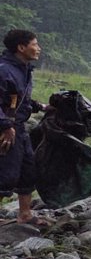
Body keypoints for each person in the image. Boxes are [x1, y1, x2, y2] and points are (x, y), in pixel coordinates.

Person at [0, 29, 47, 227]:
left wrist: (41, 107)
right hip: (5, 129)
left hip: (18, 127)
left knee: (29, 168)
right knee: (6, 172)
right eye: (35, 44)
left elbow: (19, 98)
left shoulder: (23, 68)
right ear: (21, 47)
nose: (38, 48)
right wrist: (5, 125)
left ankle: (26, 214)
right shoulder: (3, 69)